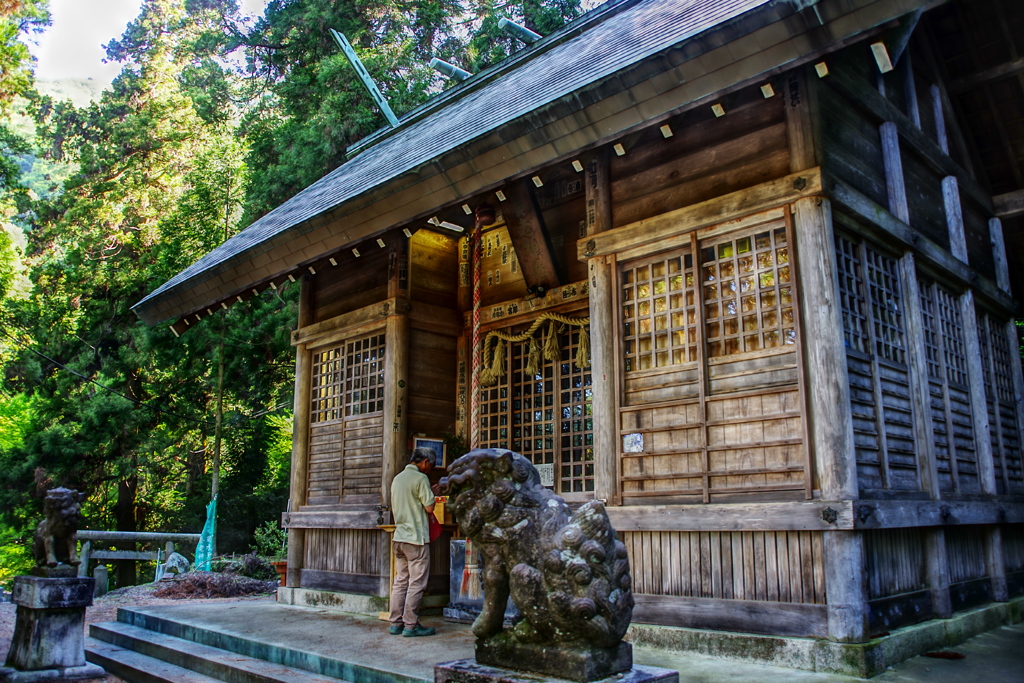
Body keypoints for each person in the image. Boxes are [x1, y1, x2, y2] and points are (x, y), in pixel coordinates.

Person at [388, 448, 438, 636]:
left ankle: (395, 623)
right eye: (430, 466)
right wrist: (431, 493)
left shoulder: (398, 478)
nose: (430, 469)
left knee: (401, 581)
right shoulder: (421, 479)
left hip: (399, 536)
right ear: (425, 462)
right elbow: (429, 507)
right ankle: (411, 625)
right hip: (416, 539)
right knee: (417, 583)